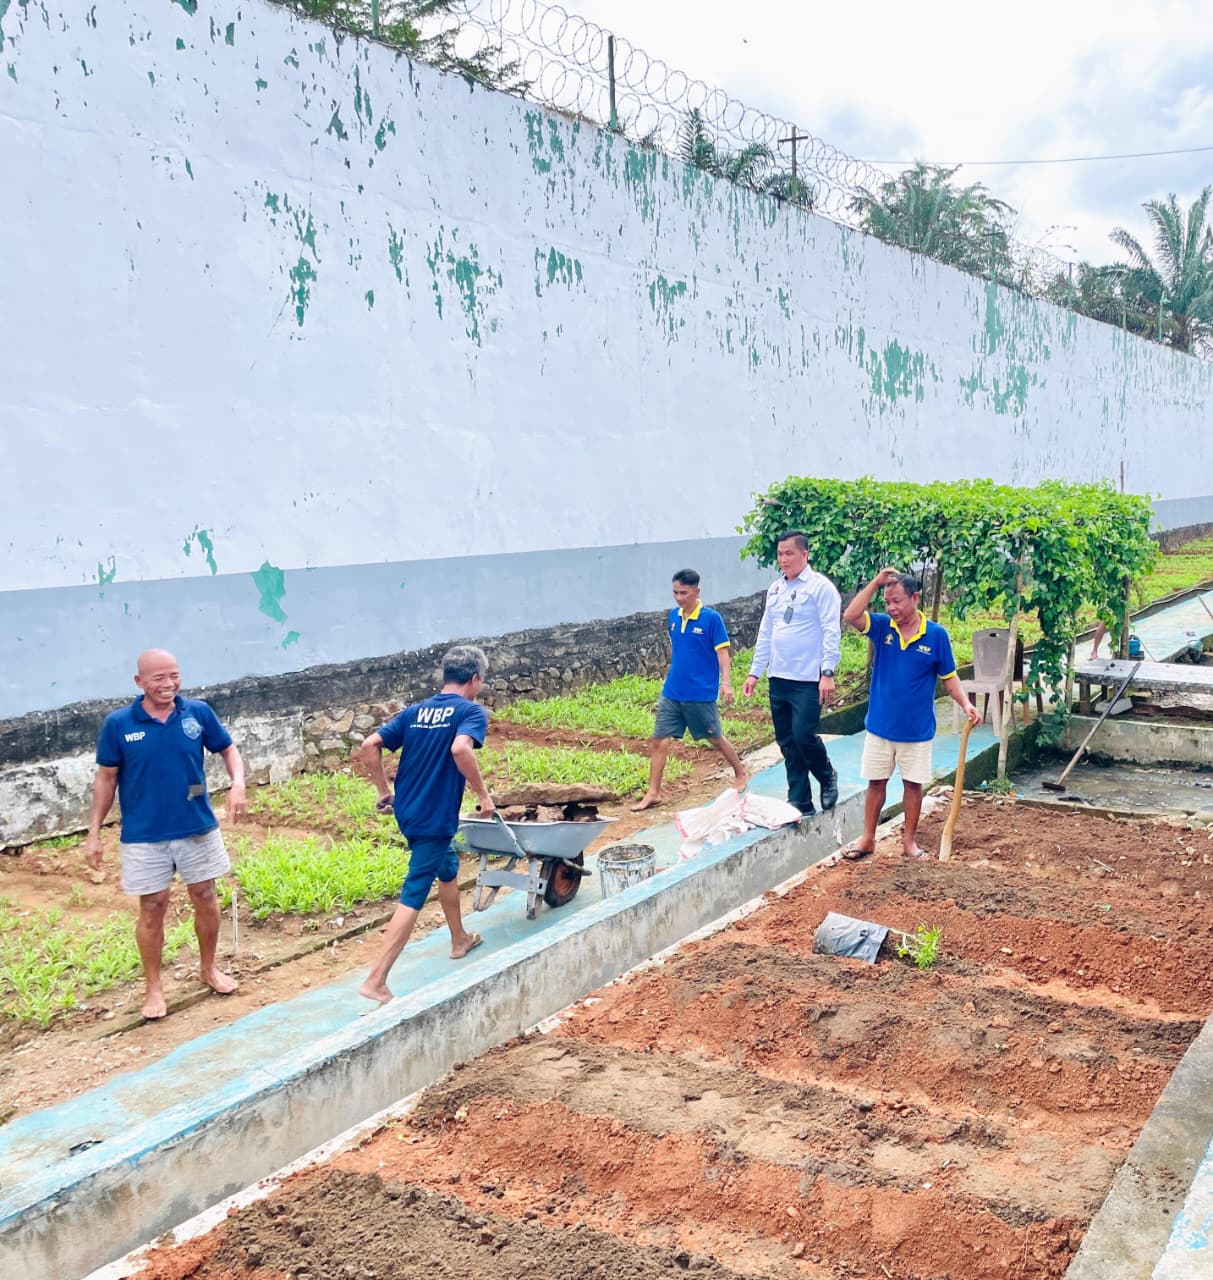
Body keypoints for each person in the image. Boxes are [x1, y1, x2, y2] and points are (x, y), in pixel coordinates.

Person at [85, 649, 246, 1020]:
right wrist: (93, 833)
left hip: (197, 826)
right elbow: (106, 779)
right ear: (139, 682)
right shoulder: (120, 724)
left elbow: (228, 749)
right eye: (158, 678)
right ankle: (154, 988)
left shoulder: (198, 713)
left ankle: (208, 969)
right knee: (153, 907)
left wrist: (237, 783)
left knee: (205, 896)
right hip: (144, 834)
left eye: (174, 675)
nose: (169, 684)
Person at [357, 645, 494, 1005]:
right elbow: (461, 750)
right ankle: (376, 979)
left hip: (409, 810)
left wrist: (385, 791)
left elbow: (370, 744)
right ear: (475, 679)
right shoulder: (471, 712)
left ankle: (459, 938)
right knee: (415, 890)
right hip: (434, 816)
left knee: (447, 866)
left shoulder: (415, 711)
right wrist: (483, 794)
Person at [842, 569, 981, 860]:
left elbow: (950, 677)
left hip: (916, 730)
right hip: (880, 726)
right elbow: (851, 615)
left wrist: (966, 704)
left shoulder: (936, 635)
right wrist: (875, 583)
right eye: (887, 602)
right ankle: (867, 839)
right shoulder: (882, 627)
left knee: (912, 785)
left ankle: (909, 842)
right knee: (876, 783)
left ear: (915, 598)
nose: (891, 608)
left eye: (897, 601)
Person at [631, 569, 747, 813]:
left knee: (714, 737)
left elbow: (722, 653)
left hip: (700, 693)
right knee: (660, 740)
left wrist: (726, 683)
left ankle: (740, 771)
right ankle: (653, 792)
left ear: (697, 591)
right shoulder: (673, 617)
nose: (679, 597)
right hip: (672, 691)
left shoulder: (711, 619)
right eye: (675, 592)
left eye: (684, 592)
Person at [742, 531, 841, 817]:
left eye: (789, 553)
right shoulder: (775, 590)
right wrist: (754, 673)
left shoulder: (821, 588)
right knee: (786, 740)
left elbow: (831, 631)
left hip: (808, 678)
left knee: (804, 735)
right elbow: (766, 632)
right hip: (779, 677)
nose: (783, 559)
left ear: (804, 555)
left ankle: (826, 776)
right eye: (780, 554)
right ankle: (799, 799)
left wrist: (828, 672)